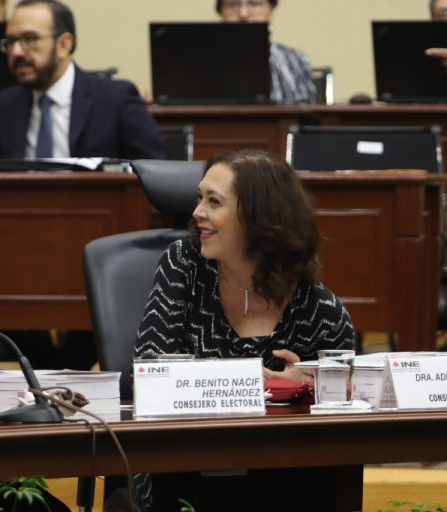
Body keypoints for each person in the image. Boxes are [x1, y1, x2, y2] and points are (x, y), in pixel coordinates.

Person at [132, 149, 355, 510]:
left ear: (258, 218)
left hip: (281, 478)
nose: (197, 213)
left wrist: (312, 389)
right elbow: (147, 375)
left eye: (213, 202)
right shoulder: (183, 266)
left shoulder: (317, 307)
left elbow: (350, 407)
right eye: (199, 198)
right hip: (182, 470)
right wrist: (254, 382)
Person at [0, 0, 166, 160]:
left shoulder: (115, 100)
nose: (16, 52)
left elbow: (157, 169)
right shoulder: (7, 105)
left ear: (63, 45)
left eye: (30, 39)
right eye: (11, 41)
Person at [216, 0, 316, 104]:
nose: (243, 14)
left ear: (271, 10)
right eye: (233, 5)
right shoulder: (203, 62)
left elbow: (309, 114)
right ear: (220, 12)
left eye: (254, 4)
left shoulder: (296, 60)